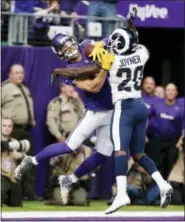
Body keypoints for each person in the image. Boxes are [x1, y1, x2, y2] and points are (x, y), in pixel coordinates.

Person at [56, 22, 173, 213]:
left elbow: (86, 72)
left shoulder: (112, 59)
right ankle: (163, 184)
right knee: (138, 153)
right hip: (140, 106)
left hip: (123, 108)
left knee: (120, 152)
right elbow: (134, 39)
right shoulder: (141, 53)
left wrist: (61, 71)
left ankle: (121, 194)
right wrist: (130, 26)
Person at [15, 34, 114, 205]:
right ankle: (31, 160)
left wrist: (111, 39)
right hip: (95, 112)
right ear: (60, 54)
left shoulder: (86, 46)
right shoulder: (69, 74)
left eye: (69, 45)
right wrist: (104, 66)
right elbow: (94, 87)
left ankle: (71, 179)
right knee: (69, 146)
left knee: (104, 154)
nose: (70, 49)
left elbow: (108, 40)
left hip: (111, 111)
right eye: (65, 49)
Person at [148, 83, 184, 180]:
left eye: (172, 90)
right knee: (156, 166)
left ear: (176, 92)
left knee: (169, 167)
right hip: (157, 140)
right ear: (165, 92)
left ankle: (168, 190)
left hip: (173, 142)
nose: (170, 92)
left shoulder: (181, 107)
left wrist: (181, 139)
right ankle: (156, 190)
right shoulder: (156, 104)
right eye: (168, 90)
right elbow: (145, 117)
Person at [1, 117, 30, 206]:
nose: (7, 128)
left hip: (11, 178)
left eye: (9, 126)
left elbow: (27, 156)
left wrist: (21, 155)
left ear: (12, 128)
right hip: (1, 177)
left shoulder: (14, 142)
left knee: (16, 204)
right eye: (4, 125)